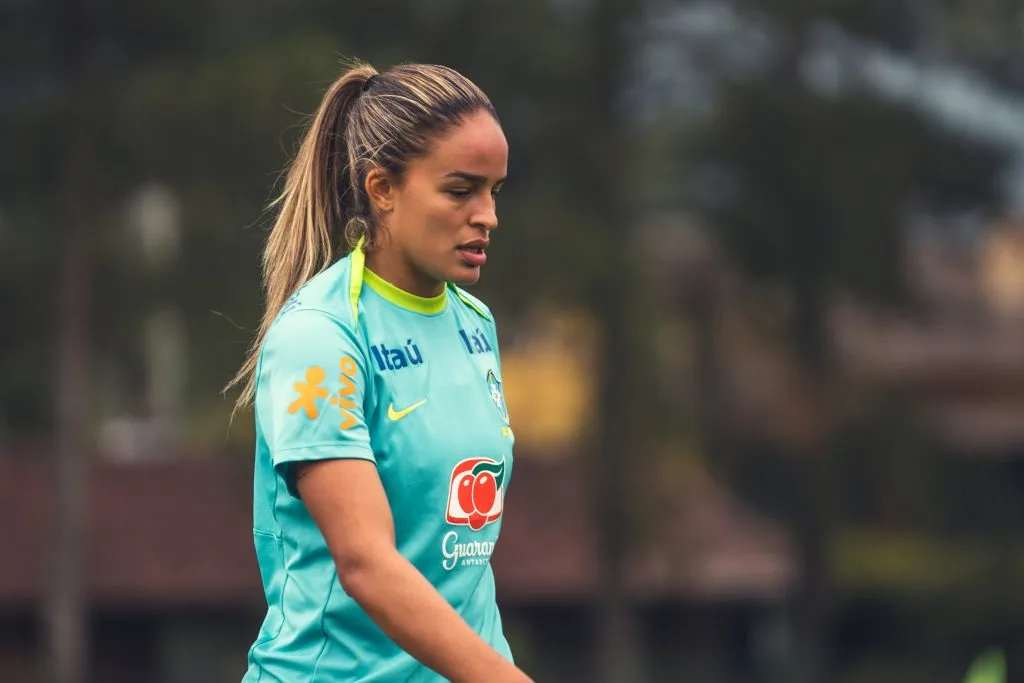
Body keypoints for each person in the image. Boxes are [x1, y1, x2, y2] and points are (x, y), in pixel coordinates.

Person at [228, 59, 532, 683]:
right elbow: (366, 562)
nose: (487, 216)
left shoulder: (476, 323)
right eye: (460, 190)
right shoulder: (321, 335)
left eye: (493, 191)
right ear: (381, 188)